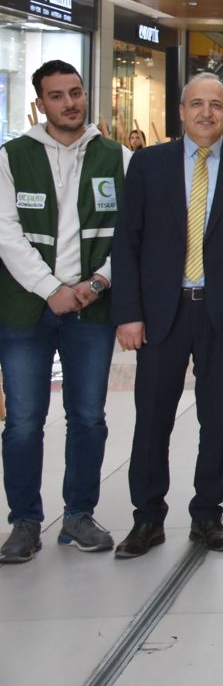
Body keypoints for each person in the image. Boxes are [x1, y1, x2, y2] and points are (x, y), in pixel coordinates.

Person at [111, 74, 223, 559]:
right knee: (152, 420)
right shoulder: (148, 164)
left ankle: (207, 514)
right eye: (197, 104)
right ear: (180, 111)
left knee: (218, 419)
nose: (207, 113)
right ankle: (147, 519)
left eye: (217, 105)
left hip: (222, 314)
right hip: (162, 312)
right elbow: (127, 242)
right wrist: (128, 313)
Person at [0, 62, 131, 563]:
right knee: (24, 421)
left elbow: (131, 233)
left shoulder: (118, 157)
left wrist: (99, 282)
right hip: (25, 311)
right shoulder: (13, 158)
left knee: (88, 417)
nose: (69, 103)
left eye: (75, 93)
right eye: (56, 96)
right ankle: (25, 522)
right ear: (40, 104)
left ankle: (78, 514)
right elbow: (7, 234)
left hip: (92, 309)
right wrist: (51, 288)